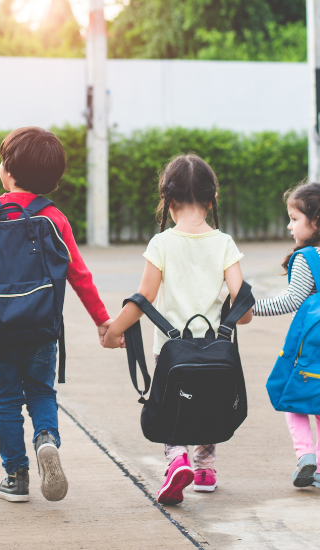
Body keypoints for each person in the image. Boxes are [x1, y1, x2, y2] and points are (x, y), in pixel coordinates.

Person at [0, 127, 111, 503]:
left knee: (7, 400)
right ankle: (46, 439)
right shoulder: (53, 217)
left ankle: (16, 477)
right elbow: (79, 274)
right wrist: (102, 320)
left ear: (9, 171)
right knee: (42, 392)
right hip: (41, 325)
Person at [103, 153, 252, 505]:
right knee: (209, 400)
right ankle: (205, 470)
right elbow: (243, 309)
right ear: (212, 200)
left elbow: (143, 298)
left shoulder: (162, 244)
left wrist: (113, 331)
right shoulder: (224, 243)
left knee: (173, 405)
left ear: (168, 202)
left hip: (171, 351)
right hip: (215, 349)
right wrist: (232, 314)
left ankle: (177, 460)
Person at [251, 182, 320, 490]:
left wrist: (250, 308)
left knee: (289, 398)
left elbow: (290, 301)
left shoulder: (307, 258)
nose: (289, 226)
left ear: (316, 221)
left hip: (308, 346)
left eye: (294, 219)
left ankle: (306, 454)